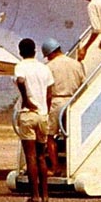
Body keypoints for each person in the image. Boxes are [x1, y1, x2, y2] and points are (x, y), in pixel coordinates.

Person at [14, 37, 54, 202]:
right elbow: (50, 92)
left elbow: (21, 80)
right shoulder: (44, 68)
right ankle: (45, 197)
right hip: (43, 115)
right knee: (41, 156)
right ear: (35, 51)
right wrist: (45, 109)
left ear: (20, 52)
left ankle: (34, 196)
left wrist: (26, 100)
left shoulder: (21, 66)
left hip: (28, 113)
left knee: (30, 156)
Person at [42, 37, 85, 176]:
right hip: (73, 102)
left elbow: (47, 91)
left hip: (57, 101)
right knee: (71, 136)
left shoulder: (49, 67)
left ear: (50, 53)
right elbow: (84, 84)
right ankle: (75, 166)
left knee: (50, 136)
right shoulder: (76, 64)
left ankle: (55, 168)